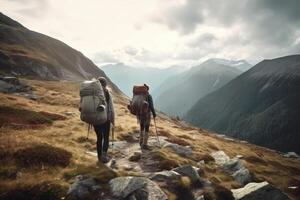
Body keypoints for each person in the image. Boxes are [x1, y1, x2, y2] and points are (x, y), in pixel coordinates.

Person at [94, 77, 115, 163]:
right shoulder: (107, 93)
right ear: (105, 84)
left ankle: (99, 157)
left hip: (95, 119)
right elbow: (111, 107)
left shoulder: (94, 93)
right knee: (106, 137)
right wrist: (113, 120)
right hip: (106, 119)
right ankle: (104, 155)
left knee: (99, 138)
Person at [139, 84, 156, 150]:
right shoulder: (149, 96)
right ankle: (145, 144)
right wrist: (154, 114)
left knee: (141, 128)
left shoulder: (140, 96)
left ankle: (140, 142)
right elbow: (151, 106)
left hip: (140, 115)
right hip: (147, 115)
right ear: (148, 89)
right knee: (146, 129)